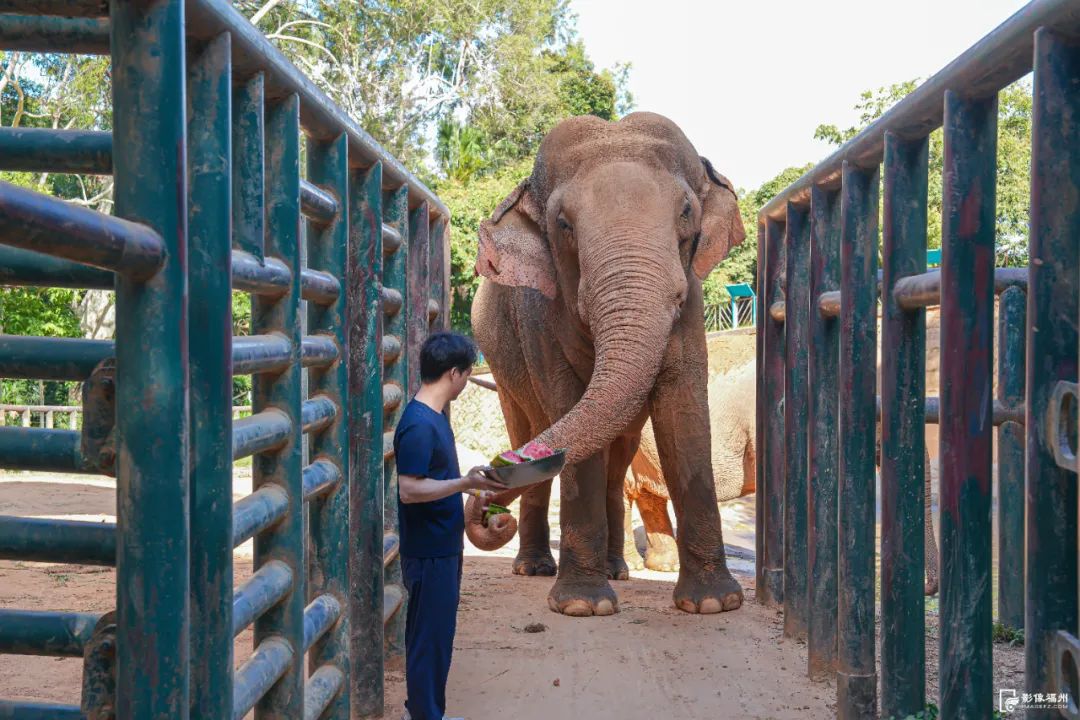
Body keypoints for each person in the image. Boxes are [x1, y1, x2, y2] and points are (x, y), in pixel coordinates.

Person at [395, 331, 507, 720]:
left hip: (442, 546)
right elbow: (409, 489)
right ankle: (424, 716)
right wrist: (465, 484)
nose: (464, 382)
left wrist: (473, 489)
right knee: (429, 638)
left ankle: (426, 712)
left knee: (437, 636)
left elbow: (434, 480)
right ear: (454, 374)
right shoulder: (419, 425)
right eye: (466, 374)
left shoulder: (434, 418)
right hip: (428, 551)